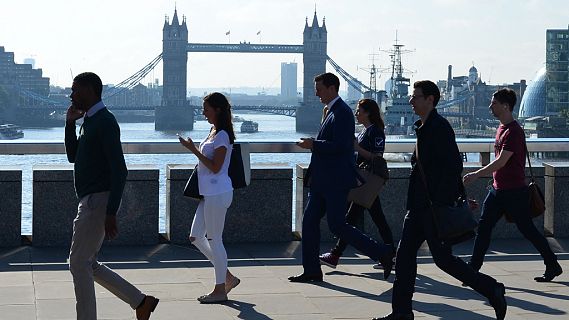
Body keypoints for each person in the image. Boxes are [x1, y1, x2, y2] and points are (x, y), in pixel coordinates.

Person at [374, 80, 506, 320]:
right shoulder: (422, 127)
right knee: (404, 259)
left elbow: (453, 166)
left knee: (443, 260)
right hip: (417, 208)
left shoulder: (440, 128)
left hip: (432, 208)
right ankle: (401, 312)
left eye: (416, 97)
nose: (411, 101)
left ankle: (491, 288)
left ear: (430, 100)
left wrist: (448, 200)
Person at [65, 72, 158, 320]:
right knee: (88, 263)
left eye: (75, 90)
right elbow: (73, 156)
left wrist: (111, 212)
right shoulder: (89, 121)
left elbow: (120, 169)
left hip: (97, 201)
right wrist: (69, 124)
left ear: (90, 90)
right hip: (90, 199)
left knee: (77, 263)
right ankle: (140, 302)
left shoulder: (105, 122)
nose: (71, 95)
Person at [289, 73, 395, 283]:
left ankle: (382, 253)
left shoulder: (343, 113)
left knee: (337, 225)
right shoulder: (331, 111)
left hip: (335, 180)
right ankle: (311, 270)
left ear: (331, 88)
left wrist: (314, 144)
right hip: (322, 180)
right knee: (309, 223)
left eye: (319, 89)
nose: (316, 93)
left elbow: (342, 146)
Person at [463, 88, 562, 282]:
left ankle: (552, 264)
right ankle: (472, 270)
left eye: (494, 103)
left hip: (514, 192)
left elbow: (501, 161)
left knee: (528, 230)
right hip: (497, 190)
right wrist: (492, 180)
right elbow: (499, 164)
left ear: (505, 106)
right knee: (484, 228)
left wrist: (476, 174)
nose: (490, 106)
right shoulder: (501, 128)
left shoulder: (514, 132)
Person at [178, 92, 240, 304]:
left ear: (218, 109)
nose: (203, 112)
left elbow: (216, 167)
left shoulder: (222, 135)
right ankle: (228, 276)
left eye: (206, 108)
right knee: (196, 237)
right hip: (209, 194)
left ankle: (220, 289)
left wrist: (192, 149)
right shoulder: (213, 132)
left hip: (218, 192)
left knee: (215, 240)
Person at [319, 98, 395, 269]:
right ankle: (391, 255)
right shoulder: (363, 132)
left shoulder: (376, 132)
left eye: (359, 111)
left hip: (367, 181)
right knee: (373, 219)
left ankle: (336, 255)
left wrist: (357, 149)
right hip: (362, 181)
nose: (356, 114)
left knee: (351, 220)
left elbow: (377, 156)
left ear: (368, 113)